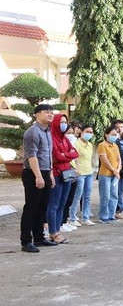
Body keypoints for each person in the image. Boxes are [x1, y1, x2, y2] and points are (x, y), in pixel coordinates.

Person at [20, 104, 56, 252]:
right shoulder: (32, 132)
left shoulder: (47, 131)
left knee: (42, 207)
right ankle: (26, 241)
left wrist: (51, 174)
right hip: (33, 173)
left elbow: (48, 155)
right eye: (46, 112)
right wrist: (38, 176)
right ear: (37, 114)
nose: (50, 114)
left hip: (45, 172)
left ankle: (39, 238)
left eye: (51, 112)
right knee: (31, 207)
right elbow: (32, 156)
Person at [47, 113, 78, 242]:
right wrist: (67, 155)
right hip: (56, 174)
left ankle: (57, 230)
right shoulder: (51, 138)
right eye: (61, 122)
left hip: (67, 174)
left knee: (62, 204)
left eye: (65, 122)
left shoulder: (64, 138)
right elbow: (57, 157)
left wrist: (64, 154)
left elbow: (75, 153)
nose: (63, 124)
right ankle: (52, 232)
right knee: (54, 204)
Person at [68, 124, 95, 226]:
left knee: (87, 196)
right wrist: (76, 169)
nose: (89, 134)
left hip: (89, 172)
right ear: (81, 132)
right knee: (77, 195)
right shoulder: (76, 144)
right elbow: (73, 158)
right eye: (87, 132)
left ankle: (85, 217)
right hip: (79, 173)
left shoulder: (90, 145)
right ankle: (72, 217)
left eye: (91, 132)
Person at [97, 125, 122, 224]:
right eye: (112, 134)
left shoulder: (115, 145)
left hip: (115, 175)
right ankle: (103, 216)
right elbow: (104, 160)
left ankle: (111, 215)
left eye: (116, 134)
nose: (115, 136)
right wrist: (113, 170)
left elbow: (119, 159)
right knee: (105, 196)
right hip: (105, 174)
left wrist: (118, 170)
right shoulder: (102, 145)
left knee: (114, 195)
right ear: (106, 135)